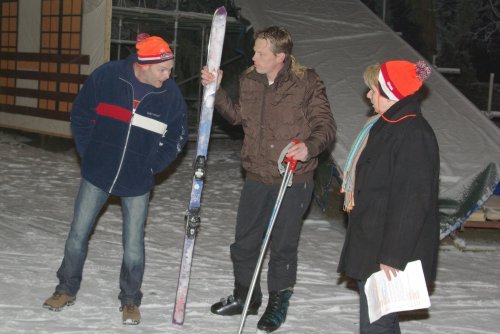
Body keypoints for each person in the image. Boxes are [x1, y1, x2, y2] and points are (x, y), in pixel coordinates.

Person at [43, 33, 188, 325]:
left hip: (137, 179)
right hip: (97, 173)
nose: (168, 76)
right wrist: (89, 153)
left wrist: (153, 166)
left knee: (134, 244)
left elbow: (177, 137)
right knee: (77, 235)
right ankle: (66, 288)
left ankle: (131, 300)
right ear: (144, 65)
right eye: (163, 70)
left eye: (170, 70)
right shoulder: (108, 76)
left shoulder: (170, 95)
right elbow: (81, 114)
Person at [201, 26, 336, 333]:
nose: (253, 57)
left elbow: (325, 126)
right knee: (245, 243)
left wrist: (309, 146)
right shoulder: (250, 79)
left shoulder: (306, 82)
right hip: (256, 174)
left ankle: (278, 302)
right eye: (254, 50)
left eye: (261, 52)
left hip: (293, 178)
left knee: (283, 245)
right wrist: (218, 91)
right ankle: (246, 296)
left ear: (280, 57)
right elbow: (236, 116)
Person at [337, 60, 440, 333]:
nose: (368, 95)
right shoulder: (387, 125)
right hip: (373, 241)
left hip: (387, 251)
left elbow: (412, 200)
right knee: (379, 322)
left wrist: (393, 255)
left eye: (373, 89)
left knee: (377, 325)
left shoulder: (413, 133)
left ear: (391, 92)